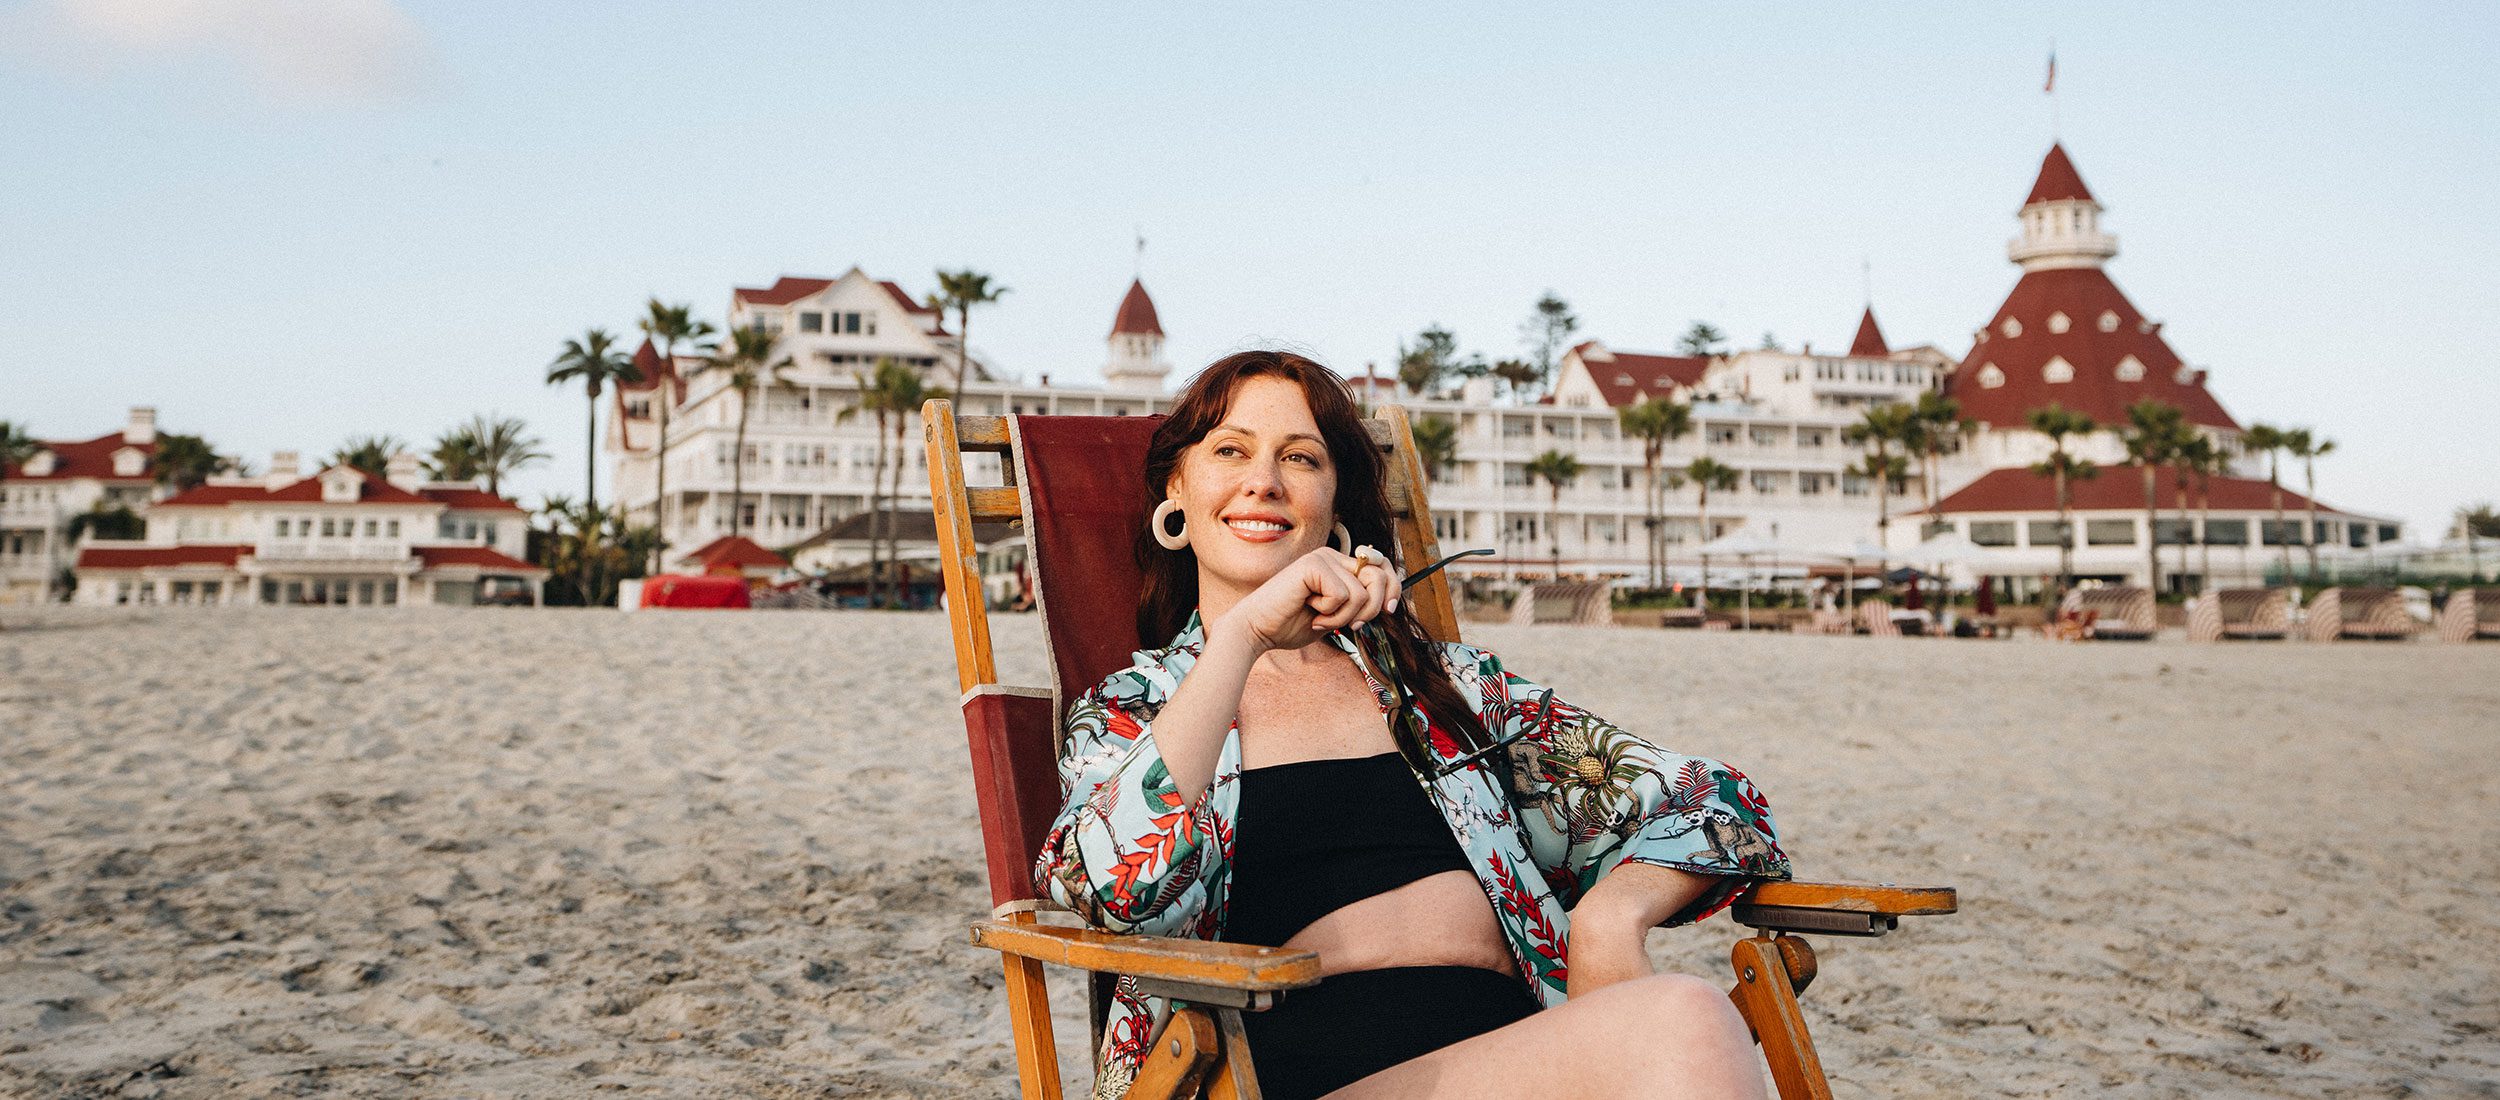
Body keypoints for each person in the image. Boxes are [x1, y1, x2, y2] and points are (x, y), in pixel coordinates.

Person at [1035, 351, 1792, 1100]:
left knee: (1674, 1026)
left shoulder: (1447, 688)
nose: (1262, 480)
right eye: (1230, 450)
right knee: (1685, 1020)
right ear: (1177, 486)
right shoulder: (1134, 710)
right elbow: (1107, 891)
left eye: (1300, 458)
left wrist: (1611, 919)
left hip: (1518, 1055)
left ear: (1334, 507)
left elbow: (1712, 799)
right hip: (1287, 1072)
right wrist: (1242, 638)